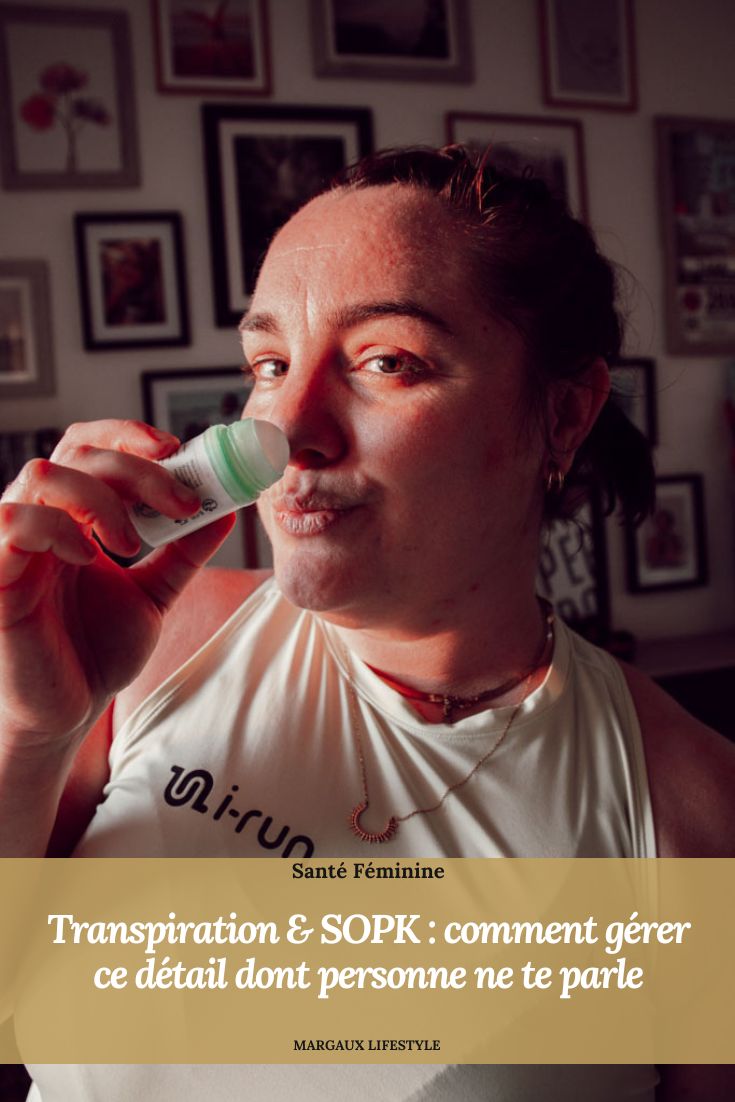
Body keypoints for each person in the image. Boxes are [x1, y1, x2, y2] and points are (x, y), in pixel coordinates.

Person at [1, 146, 733, 1100]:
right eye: (270, 364)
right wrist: (30, 731)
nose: (289, 431)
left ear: (562, 414)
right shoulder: (153, 651)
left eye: (386, 361)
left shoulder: (686, 813)